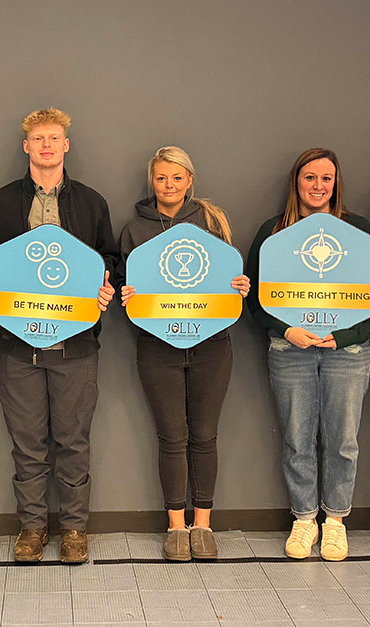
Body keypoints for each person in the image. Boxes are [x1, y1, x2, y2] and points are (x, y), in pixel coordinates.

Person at [0, 107, 119, 564]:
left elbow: (107, 259)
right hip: (19, 347)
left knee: (74, 441)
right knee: (28, 443)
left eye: (54, 138)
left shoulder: (93, 203)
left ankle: (74, 530)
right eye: (39, 139)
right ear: (27, 146)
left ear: (66, 145)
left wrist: (104, 287)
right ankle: (33, 529)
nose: (47, 145)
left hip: (76, 345)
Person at [246, 148, 370, 561]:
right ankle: (305, 519)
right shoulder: (273, 232)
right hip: (289, 348)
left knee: (343, 441)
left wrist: (343, 336)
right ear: (297, 182)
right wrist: (286, 329)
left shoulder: (359, 230)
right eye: (310, 177)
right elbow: (254, 297)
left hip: (348, 351)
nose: (318, 186)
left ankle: (336, 522)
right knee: (297, 439)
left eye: (326, 178)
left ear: (336, 183)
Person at [117, 147, 249, 561]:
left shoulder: (213, 221)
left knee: (205, 437)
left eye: (177, 178)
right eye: (161, 178)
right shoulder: (133, 230)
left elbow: (229, 277)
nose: (169, 186)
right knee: (171, 438)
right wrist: (128, 296)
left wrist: (239, 287)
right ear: (151, 181)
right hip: (158, 347)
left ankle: (203, 525)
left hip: (212, 346)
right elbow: (127, 288)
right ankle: (176, 527)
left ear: (189, 180)